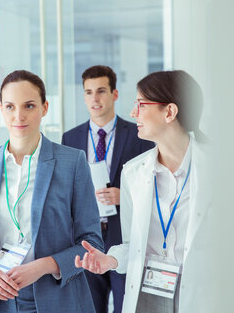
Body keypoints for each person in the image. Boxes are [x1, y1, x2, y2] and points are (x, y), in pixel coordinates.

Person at [0, 70, 104, 313]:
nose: (19, 115)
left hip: (55, 299)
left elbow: (91, 243)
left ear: (45, 108)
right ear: (1, 109)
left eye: (29, 105)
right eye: (10, 107)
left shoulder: (72, 162)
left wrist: (42, 266)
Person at [75, 70, 210, 313]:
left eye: (141, 104)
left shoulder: (218, 168)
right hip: (149, 300)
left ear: (169, 112)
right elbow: (132, 245)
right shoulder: (133, 172)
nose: (132, 112)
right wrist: (110, 260)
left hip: (202, 297)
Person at [61, 65, 153, 313]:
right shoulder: (70, 138)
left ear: (114, 94)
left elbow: (150, 183)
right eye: (88, 92)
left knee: (127, 305)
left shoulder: (139, 134)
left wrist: (124, 196)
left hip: (123, 235)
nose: (95, 98)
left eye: (101, 91)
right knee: (90, 306)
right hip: (87, 237)